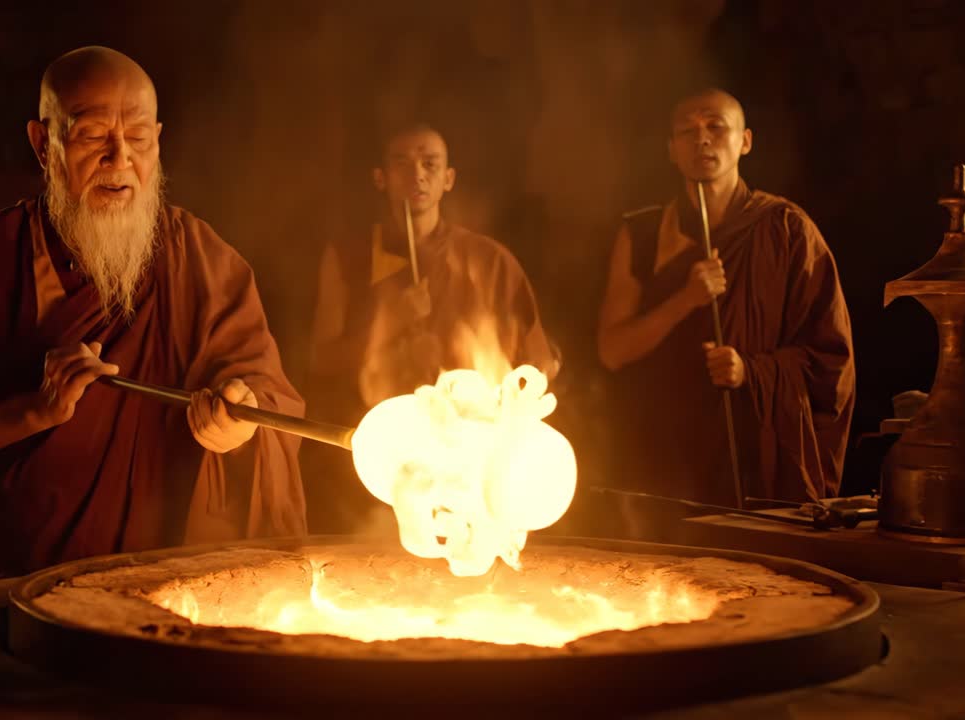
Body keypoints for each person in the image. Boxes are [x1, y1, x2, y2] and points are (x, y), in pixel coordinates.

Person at [0, 46, 305, 585]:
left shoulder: (200, 258)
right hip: (24, 585)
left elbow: (268, 399)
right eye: (93, 135)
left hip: (173, 584)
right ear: (43, 143)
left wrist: (237, 425)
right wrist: (37, 411)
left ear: (157, 142)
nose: (119, 159)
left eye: (138, 138)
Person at [596, 88, 854, 506]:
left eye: (716, 127)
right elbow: (612, 351)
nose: (702, 139)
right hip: (666, 452)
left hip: (754, 452)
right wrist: (685, 299)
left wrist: (750, 371)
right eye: (687, 131)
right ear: (671, 150)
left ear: (745, 141)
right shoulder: (643, 235)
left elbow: (831, 359)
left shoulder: (787, 230)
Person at [305, 123, 555, 532]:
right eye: (402, 164)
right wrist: (391, 324)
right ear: (381, 178)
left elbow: (537, 365)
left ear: (448, 179)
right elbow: (321, 359)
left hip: (467, 458)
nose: (417, 175)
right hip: (379, 454)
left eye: (430, 164)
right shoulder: (349, 256)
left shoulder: (488, 260)